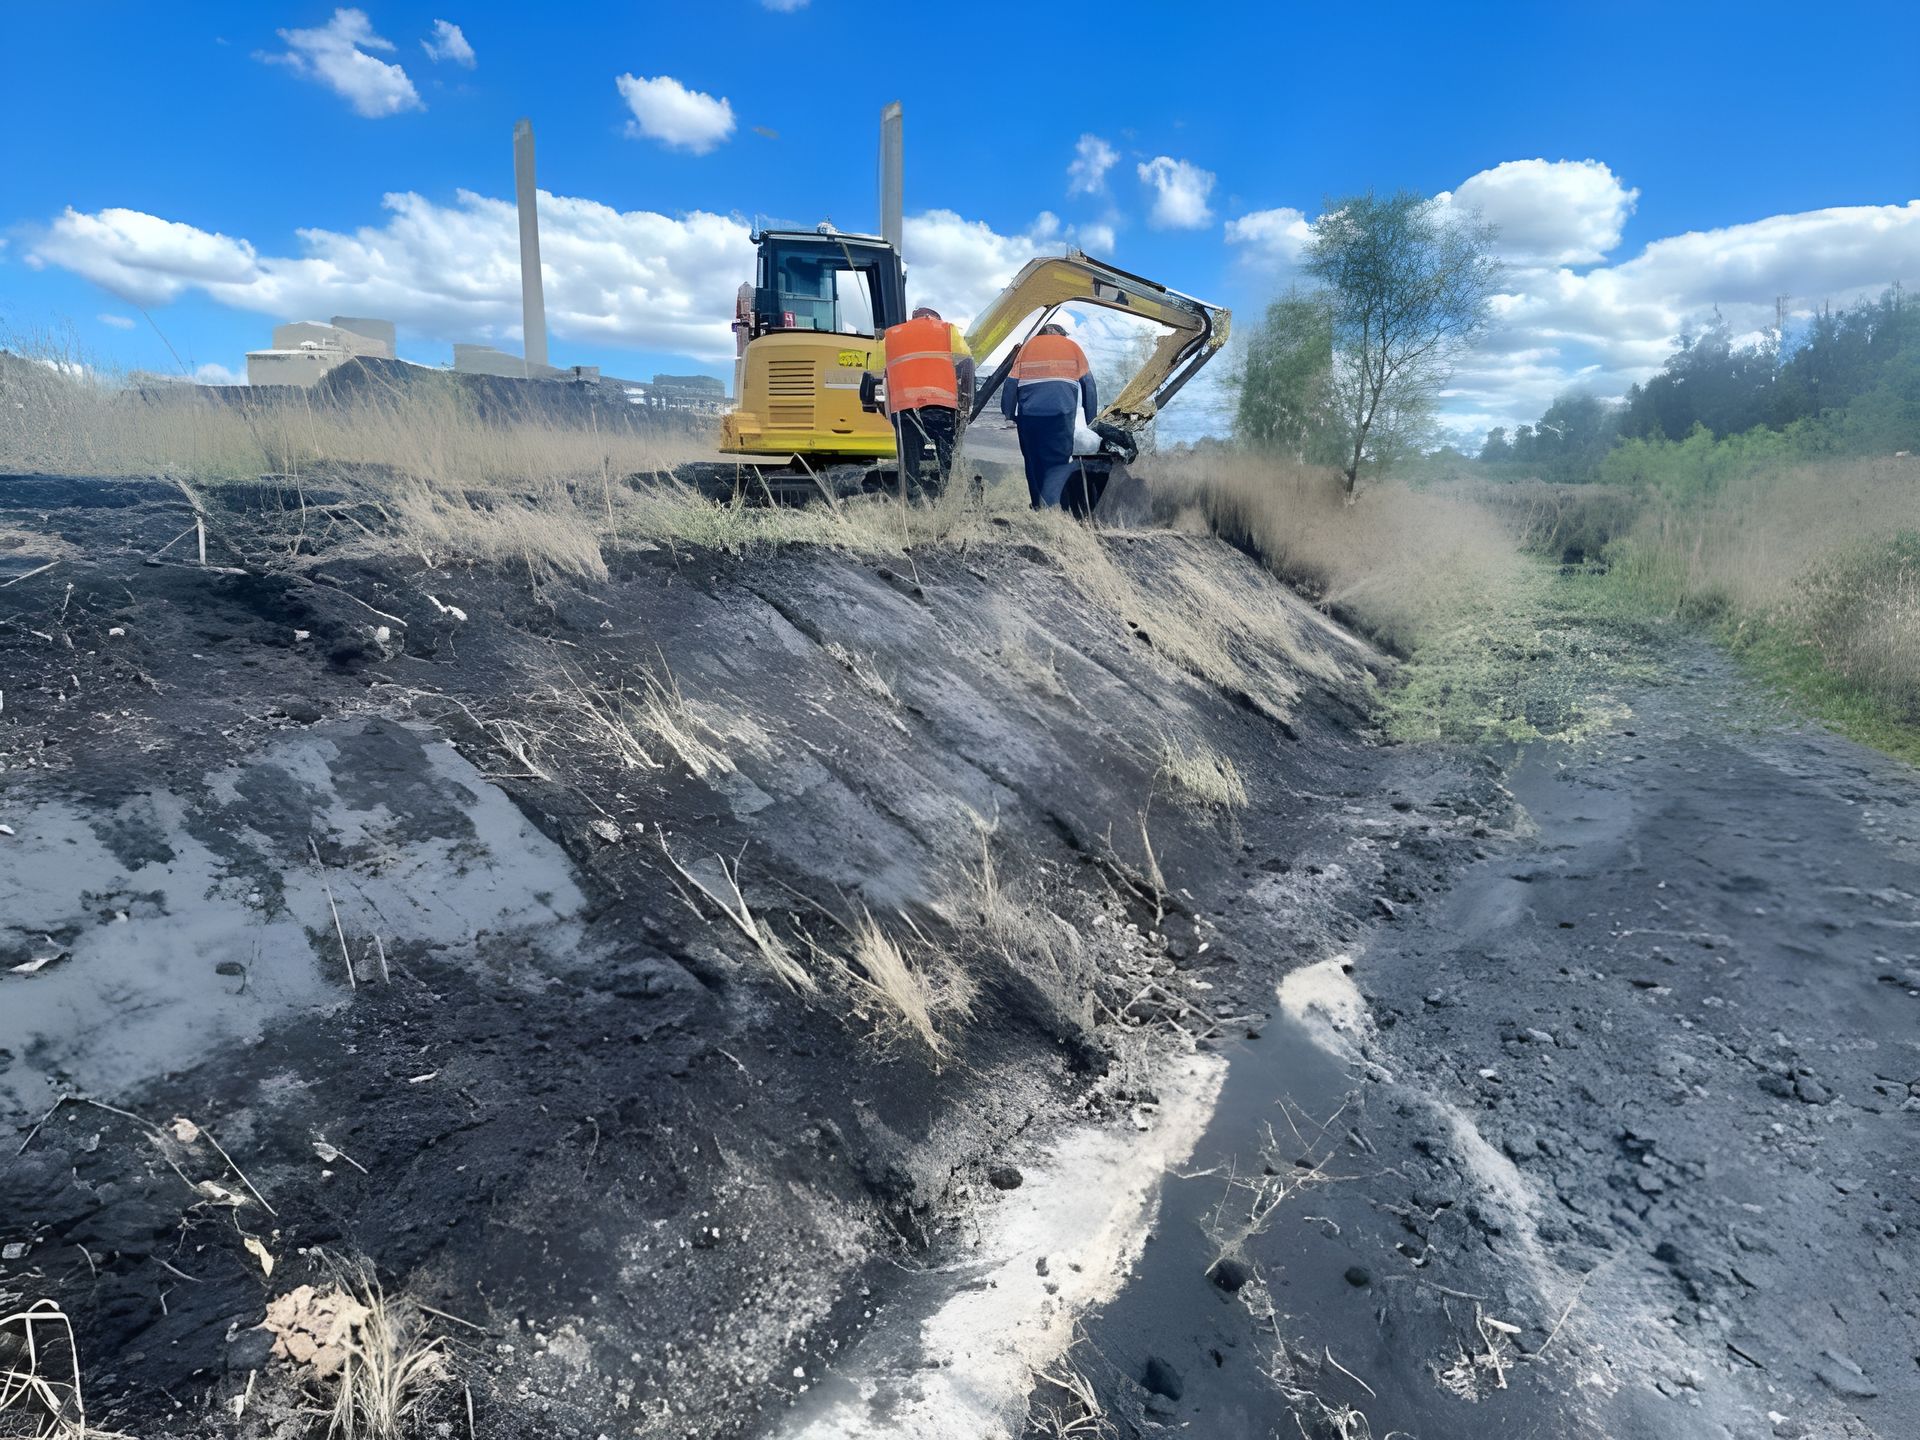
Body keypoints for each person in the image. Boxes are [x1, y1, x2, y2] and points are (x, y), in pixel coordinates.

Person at [876, 306, 974, 496]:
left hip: (904, 407)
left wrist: (887, 412)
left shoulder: (893, 335)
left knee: (909, 458)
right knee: (947, 456)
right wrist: (965, 404)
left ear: (913, 318)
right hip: (942, 405)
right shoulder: (947, 330)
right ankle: (947, 495)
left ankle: (911, 498)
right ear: (935, 318)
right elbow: (967, 363)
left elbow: (876, 375)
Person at [1001, 323, 1097, 508]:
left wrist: (1009, 414)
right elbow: (1089, 385)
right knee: (1058, 462)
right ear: (1062, 334)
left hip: (1030, 415)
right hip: (1061, 414)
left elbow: (1010, 383)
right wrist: (1091, 420)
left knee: (1033, 461)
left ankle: (1038, 506)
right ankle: (1057, 508)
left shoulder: (1028, 347)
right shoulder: (1072, 347)